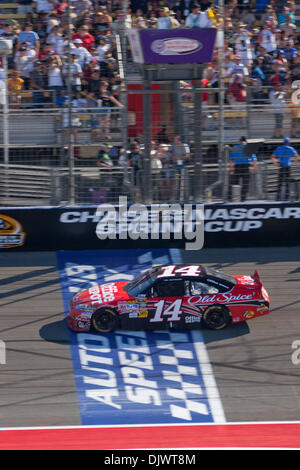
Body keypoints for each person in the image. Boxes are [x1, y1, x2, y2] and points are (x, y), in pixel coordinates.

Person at [228, 136, 258, 202]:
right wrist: (255, 168)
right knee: (245, 184)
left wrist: (231, 169)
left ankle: (232, 199)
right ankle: (243, 199)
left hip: (237, 167)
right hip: (246, 167)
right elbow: (254, 160)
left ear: (239, 141)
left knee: (234, 183)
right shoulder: (249, 148)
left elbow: (231, 160)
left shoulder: (235, 148)